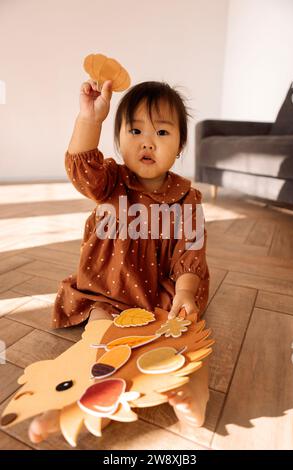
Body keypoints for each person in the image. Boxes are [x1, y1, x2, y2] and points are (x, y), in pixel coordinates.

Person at [28, 78, 210, 444]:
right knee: (98, 342)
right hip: (108, 290)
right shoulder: (110, 181)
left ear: (179, 148)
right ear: (120, 141)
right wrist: (89, 119)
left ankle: (195, 397)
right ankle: (77, 402)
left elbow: (191, 254)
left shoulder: (186, 198)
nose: (147, 140)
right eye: (136, 130)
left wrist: (185, 294)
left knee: (185, 339)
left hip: (162, 292)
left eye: (161, 131)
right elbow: (80, 165)